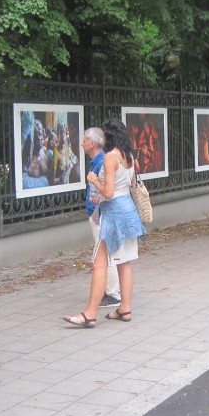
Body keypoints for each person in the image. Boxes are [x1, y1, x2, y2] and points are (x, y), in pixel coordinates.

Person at [63, 118, 146, 327]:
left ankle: (90, 314)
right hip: (128, 211)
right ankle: (125, 309)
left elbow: (108, 193)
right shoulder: (129, 156)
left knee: (99, 264)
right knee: (124, 262)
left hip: (114, 214)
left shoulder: (110, 157)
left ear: (108, 136)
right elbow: (131, 184)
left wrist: (94, 180)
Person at [81, 127, 121, 308]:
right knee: (105, 253)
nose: (82, 143)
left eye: (84, 140)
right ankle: (109, 291)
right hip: (98, 212)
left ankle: (112, 293)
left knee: (105, 254)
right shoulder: (97, 161)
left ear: (92, 143)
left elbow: (106, 190)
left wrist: (96, 212)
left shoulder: (102, 161)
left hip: (100, 214)